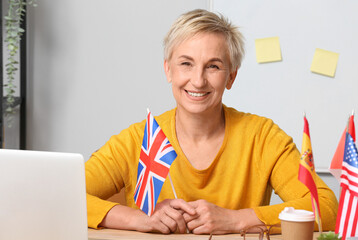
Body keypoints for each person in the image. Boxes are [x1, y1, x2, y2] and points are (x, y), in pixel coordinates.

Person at [85, 9, 338, 235]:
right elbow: (63, 195)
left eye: (213, 66)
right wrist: (139, 219)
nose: (198, 80)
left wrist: (236, 220)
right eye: (186, 63)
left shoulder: (262, 137)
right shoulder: (139, 139)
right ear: (168, 70)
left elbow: (325, 207)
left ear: (231, 77)